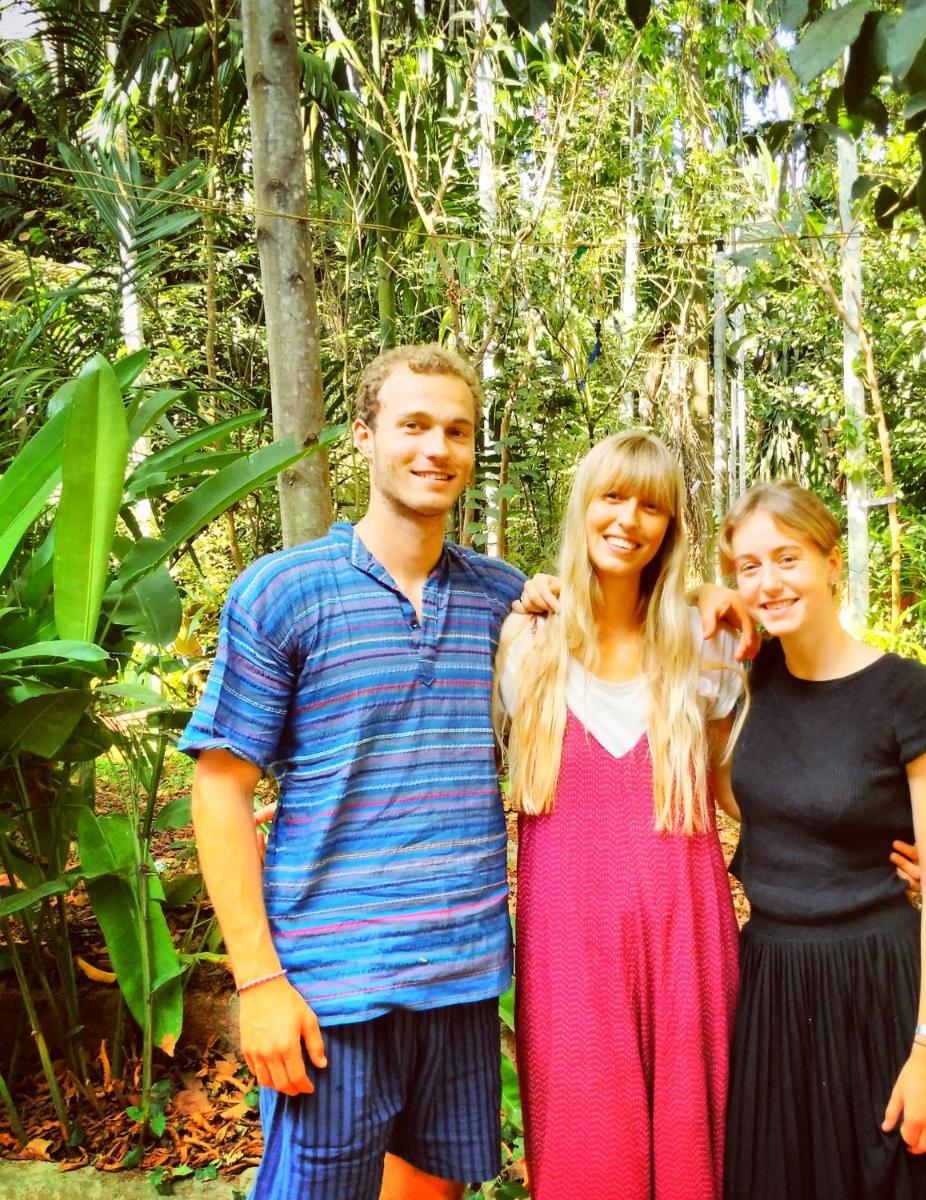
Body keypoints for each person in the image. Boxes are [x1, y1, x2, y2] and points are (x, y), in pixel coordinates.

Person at [179, 345, 528, 1200]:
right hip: (331, 983)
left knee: (432, 1192)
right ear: (364, 437)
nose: (436, 448)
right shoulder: (284, 592)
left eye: (456, 431)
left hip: (461, 975)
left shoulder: (504, 599)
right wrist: (259, 981)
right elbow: (220, 788)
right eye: (414, 426)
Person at [494, 430, 744, 1200]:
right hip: (568, 940)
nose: (629, 520)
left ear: (670, 526)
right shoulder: (528, 641)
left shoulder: (705, 644)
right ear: (583, 506)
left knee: (697, 1150)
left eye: (651, 506)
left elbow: (742, 788)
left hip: (684, 931)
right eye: (612, 497)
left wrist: (861, 846)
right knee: (586, 1150)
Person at [718, 481, 926, 1200]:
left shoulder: (906, 693)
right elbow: (744, 799)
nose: (769, 583)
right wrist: (705, 601)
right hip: (773, 983)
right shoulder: (750, 680)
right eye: (748, 567)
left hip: (877, 981)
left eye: (788, 558)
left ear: (831, 561)